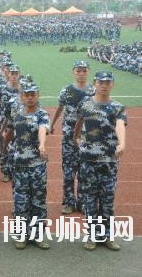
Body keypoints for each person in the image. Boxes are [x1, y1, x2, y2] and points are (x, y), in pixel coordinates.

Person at [74, 71, 126, 251]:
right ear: (94, 83)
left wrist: (122, 143)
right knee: (90, 200)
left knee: (107, 200)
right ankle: (91, 236)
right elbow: (79, 122)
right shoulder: (85, 104)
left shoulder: (117, 107)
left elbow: (120, 124)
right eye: (100, 82)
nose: (104, 85)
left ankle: (107, 236)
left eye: (107, 82)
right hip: (88, 160)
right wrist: (76, 139)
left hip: (109, 161)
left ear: (112, 84)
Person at [4, 82, 50, 250]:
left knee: (38, 201)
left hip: (37, 165)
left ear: (38, 96)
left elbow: (43, 129)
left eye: (33, 95)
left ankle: (37, 236)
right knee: (21, 202)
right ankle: (22, 236)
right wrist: (4, 146)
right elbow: (10, 131)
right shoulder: (16, 113)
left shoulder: (42, 114)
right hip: (20, 165)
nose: (30, 98)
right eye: (27, 95)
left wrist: (42, 145)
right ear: (22, 97)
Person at [50, 61, 95, 214]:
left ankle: (82, 202)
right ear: (73, 72)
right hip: (69, 135)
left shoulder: (94, 91)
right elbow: (60, 107)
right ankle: (68, 202)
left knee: (85, 171)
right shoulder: (66, 90)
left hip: (87, 137)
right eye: (78, 70)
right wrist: (53, 123)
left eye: (84, 70)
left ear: (88, 72)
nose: (81, 73)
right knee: (69, 171)